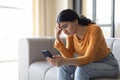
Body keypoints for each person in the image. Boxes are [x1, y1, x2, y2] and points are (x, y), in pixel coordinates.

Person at [46, 9, 119, 80]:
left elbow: (88, 58)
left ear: (75, 21)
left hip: (109, 65)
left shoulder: (94, 30)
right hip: (90, 65)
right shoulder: (71, 35)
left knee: (82, 69)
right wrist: (57, 37)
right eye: (61, 28)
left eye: (65, 26)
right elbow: (68, 56)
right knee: (63, 67)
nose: (64, 31)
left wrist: (64, 61)